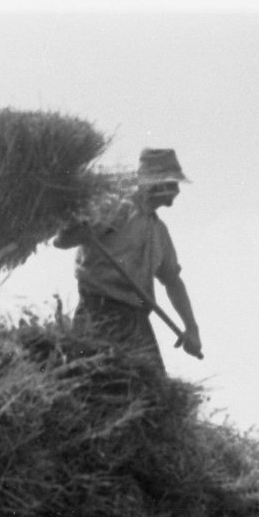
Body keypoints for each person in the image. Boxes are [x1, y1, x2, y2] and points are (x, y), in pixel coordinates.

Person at [54, 147, 203, 369]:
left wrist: (191, 328)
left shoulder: (159, 231)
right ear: (158, 183)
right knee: (98, 384)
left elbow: (172, 280)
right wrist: (79, 231)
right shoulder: (115, 208)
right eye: (173, 184)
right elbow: (61, 240)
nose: (177, 191)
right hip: (98, 312)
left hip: (137, 320)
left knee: (152, 397)